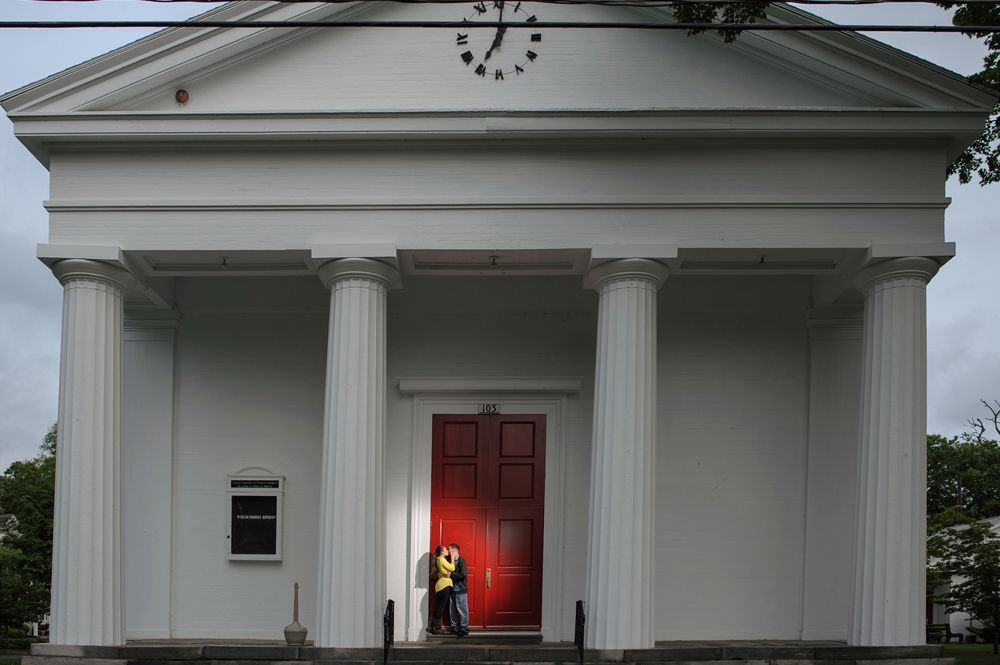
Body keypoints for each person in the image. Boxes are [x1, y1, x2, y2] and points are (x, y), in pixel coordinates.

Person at [427, 545, 455, 635]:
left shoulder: (439, 559)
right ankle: (432, 626)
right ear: (442, 552)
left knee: (441, 607)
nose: (447, 550)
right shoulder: (441, 559)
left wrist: (448, 573)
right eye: (446, 549)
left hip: (442, 585)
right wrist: (453, 558)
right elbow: (452, 568)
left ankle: (435, 628)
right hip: (443, 585)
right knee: (441, 607)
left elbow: (448, 572)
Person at [448, 543, 469, 637]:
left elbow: (463, 574)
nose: (448, 552)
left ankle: (464, 628)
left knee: (462, 609)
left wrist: (452, 575)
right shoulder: (450, 562)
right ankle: (455, 627)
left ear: (455, 550)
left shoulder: (462, 561)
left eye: (450, 550)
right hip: (452, 589)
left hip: (460, 589)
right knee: (452, 609)